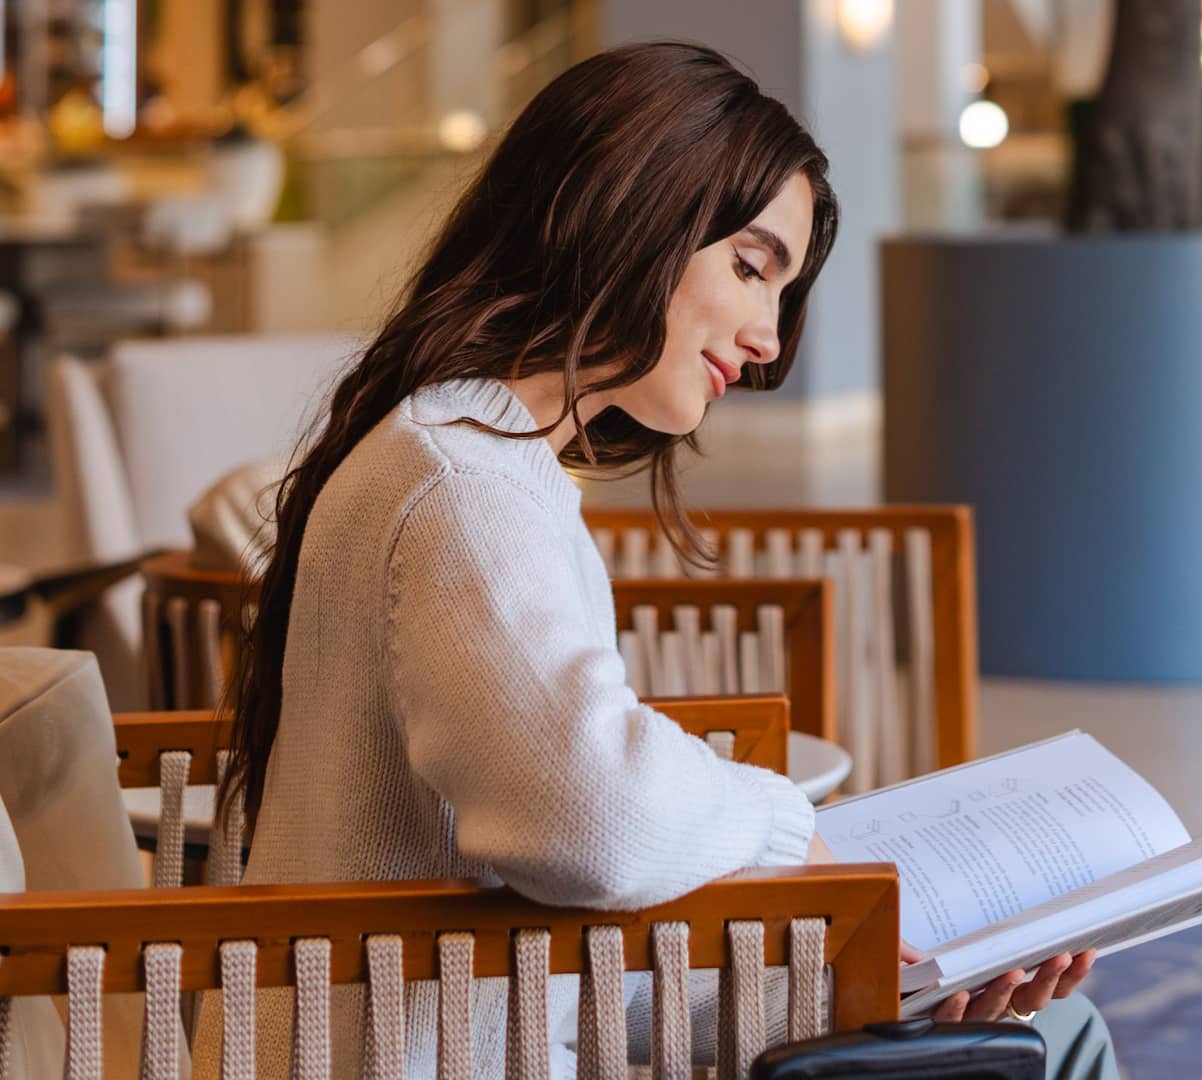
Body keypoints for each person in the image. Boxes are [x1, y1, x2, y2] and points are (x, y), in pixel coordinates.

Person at [207, 42, 1116, 1078]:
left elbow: (552, 928)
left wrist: (867, 978)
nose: (769, 339)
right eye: (750, 265)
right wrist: (784, 822)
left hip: (474, 1030)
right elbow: (593, 818)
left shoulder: (465, 454)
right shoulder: (466, 487)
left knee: (1020, 1032)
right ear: (623, 212)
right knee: (1056, 1046)